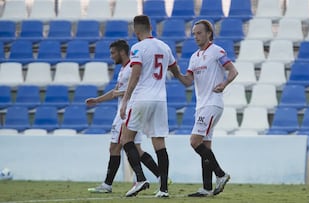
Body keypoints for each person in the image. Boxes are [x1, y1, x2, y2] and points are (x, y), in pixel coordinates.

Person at [172, 19, 238, 197]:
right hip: (201, 106)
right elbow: (187, 81)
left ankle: (221, 174)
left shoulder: (217, 51)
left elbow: (233, 71)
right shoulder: (194, 57)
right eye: (193, 34)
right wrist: (176, 72)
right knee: (205, 146)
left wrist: (224, 84)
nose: (196, 36)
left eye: (199, 33)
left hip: (212, 103)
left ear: (209, 33)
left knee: (194, 142)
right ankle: (207, 188)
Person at [86, 40, 160, 193]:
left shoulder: (132, 68)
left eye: (113, 53)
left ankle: (115, 183)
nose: (111, 56)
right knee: (136, 149)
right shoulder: (123, 69)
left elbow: (136, 88)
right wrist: (97, 100)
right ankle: (161, 176)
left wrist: (121, 94)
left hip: (126, 113)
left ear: (121, 52)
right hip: (130, 111)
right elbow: (116, 91)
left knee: (115, 147)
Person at [119, 15, 179, 198]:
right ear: (151, 27)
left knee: (126, 139)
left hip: (142, 98)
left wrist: (125, 100)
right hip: (160, 100)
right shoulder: (164, 47)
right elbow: (176, 72)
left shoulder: (137, 48)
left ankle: (140, 178)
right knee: (159, 144)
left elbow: (135, 75)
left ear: (136, 30)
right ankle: (163, 189)